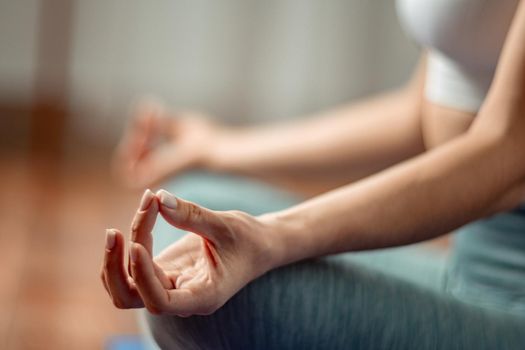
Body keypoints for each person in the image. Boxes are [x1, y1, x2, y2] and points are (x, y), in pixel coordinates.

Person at [101, 0, 525, 348]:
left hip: (513, 304)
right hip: (465, 270)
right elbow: (421, 111)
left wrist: (270, 238)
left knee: (211, 308)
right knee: (197, 215)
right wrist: (218, 147)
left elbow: (503, 157)